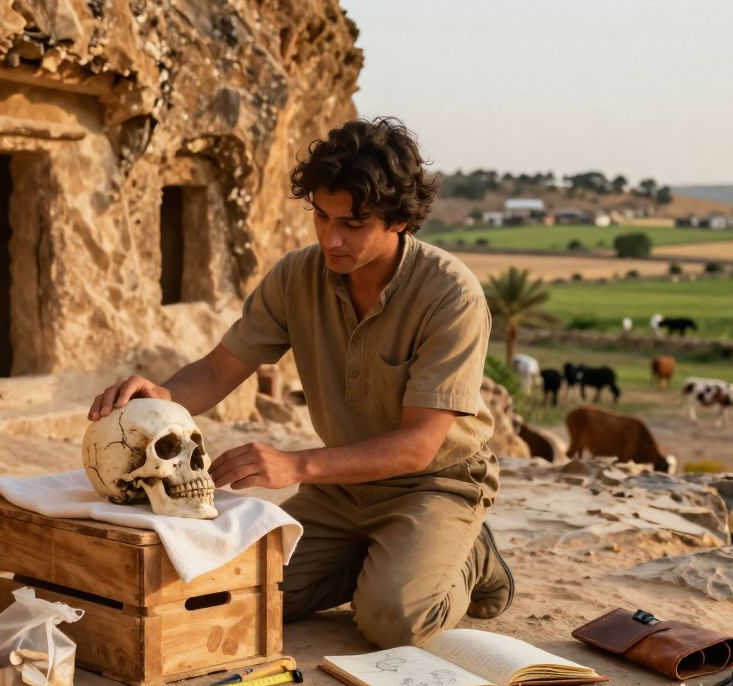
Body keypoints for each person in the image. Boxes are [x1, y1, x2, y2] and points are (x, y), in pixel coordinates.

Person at [87, 117, 513, 648]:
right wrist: (163, 399)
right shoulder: (296, 276)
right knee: (235, 596)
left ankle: (469, 553)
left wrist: (294, 465)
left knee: (392, 620)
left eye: (353, 224)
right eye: (321, 215)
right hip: (340, 489)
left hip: (432, 484)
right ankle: (380, 554)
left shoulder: (451, 295)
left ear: (399, 220)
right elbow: (220, 370)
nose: (331, 238)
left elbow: (418, 445)